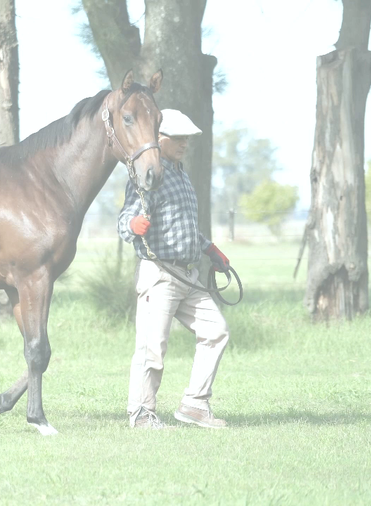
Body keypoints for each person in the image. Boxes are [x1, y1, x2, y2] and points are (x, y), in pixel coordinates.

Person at [118, 109, 231, 430]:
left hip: (188, 275)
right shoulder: (148, 177)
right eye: (177, 138)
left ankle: (195, 404)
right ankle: (141, 414)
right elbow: (124, 221)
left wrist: (210, 249)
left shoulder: (181, 174)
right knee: (152, 349)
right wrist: (133, 224)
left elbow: (181, 227)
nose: (183, 143)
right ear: (158, 139)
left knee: (216, 332)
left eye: (186, 138)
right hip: (159, 275)